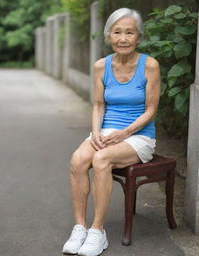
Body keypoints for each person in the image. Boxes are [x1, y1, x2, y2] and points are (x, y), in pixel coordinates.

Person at [62, 7, 161, 256]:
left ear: (138, 36)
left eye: (130, 32)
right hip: (106, 130)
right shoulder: (100, 66)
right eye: (117, 32)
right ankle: (80, 228)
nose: (123, 38)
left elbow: (150, 110)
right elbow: (98, 105)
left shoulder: (149, 65)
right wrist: (95, 132)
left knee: (101, 158)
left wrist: (124, 133)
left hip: (138, 135)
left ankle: (98, 231)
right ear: (109, 36)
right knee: (78, 159)